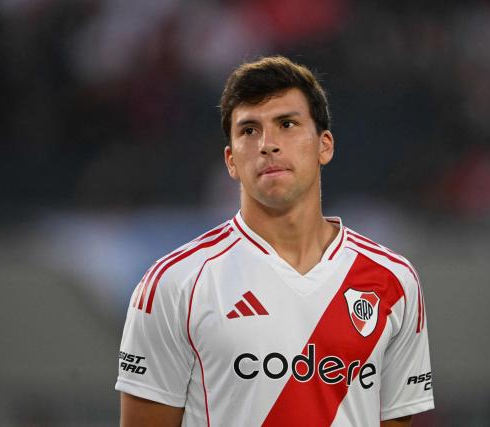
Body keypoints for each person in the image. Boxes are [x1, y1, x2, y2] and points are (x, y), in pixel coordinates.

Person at [116, 56, 434, 427]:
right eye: (249, 130)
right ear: (231, 161)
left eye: (287, 124)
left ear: (324, 146)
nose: (268, 144)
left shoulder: (393, 281)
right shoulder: (174, 283)